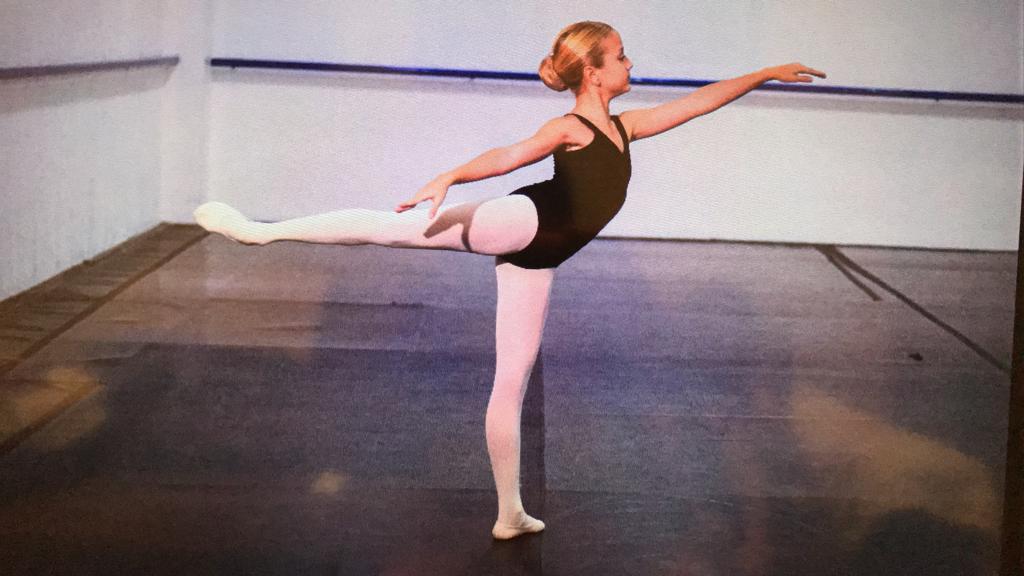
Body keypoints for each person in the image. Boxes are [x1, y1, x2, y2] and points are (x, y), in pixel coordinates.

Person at [193, 20, 826, 540]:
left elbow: (699, 102)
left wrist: (765, 73)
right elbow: (509, 156)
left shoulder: (625, 127)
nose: (631, 63)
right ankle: (258, 232)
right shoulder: (571, 129)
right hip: (523, 222)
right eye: (621, 55)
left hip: (541, 259)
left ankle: (509, 514)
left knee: (511, 380)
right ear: (594, 72)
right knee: (391, 228)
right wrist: (450, 176)